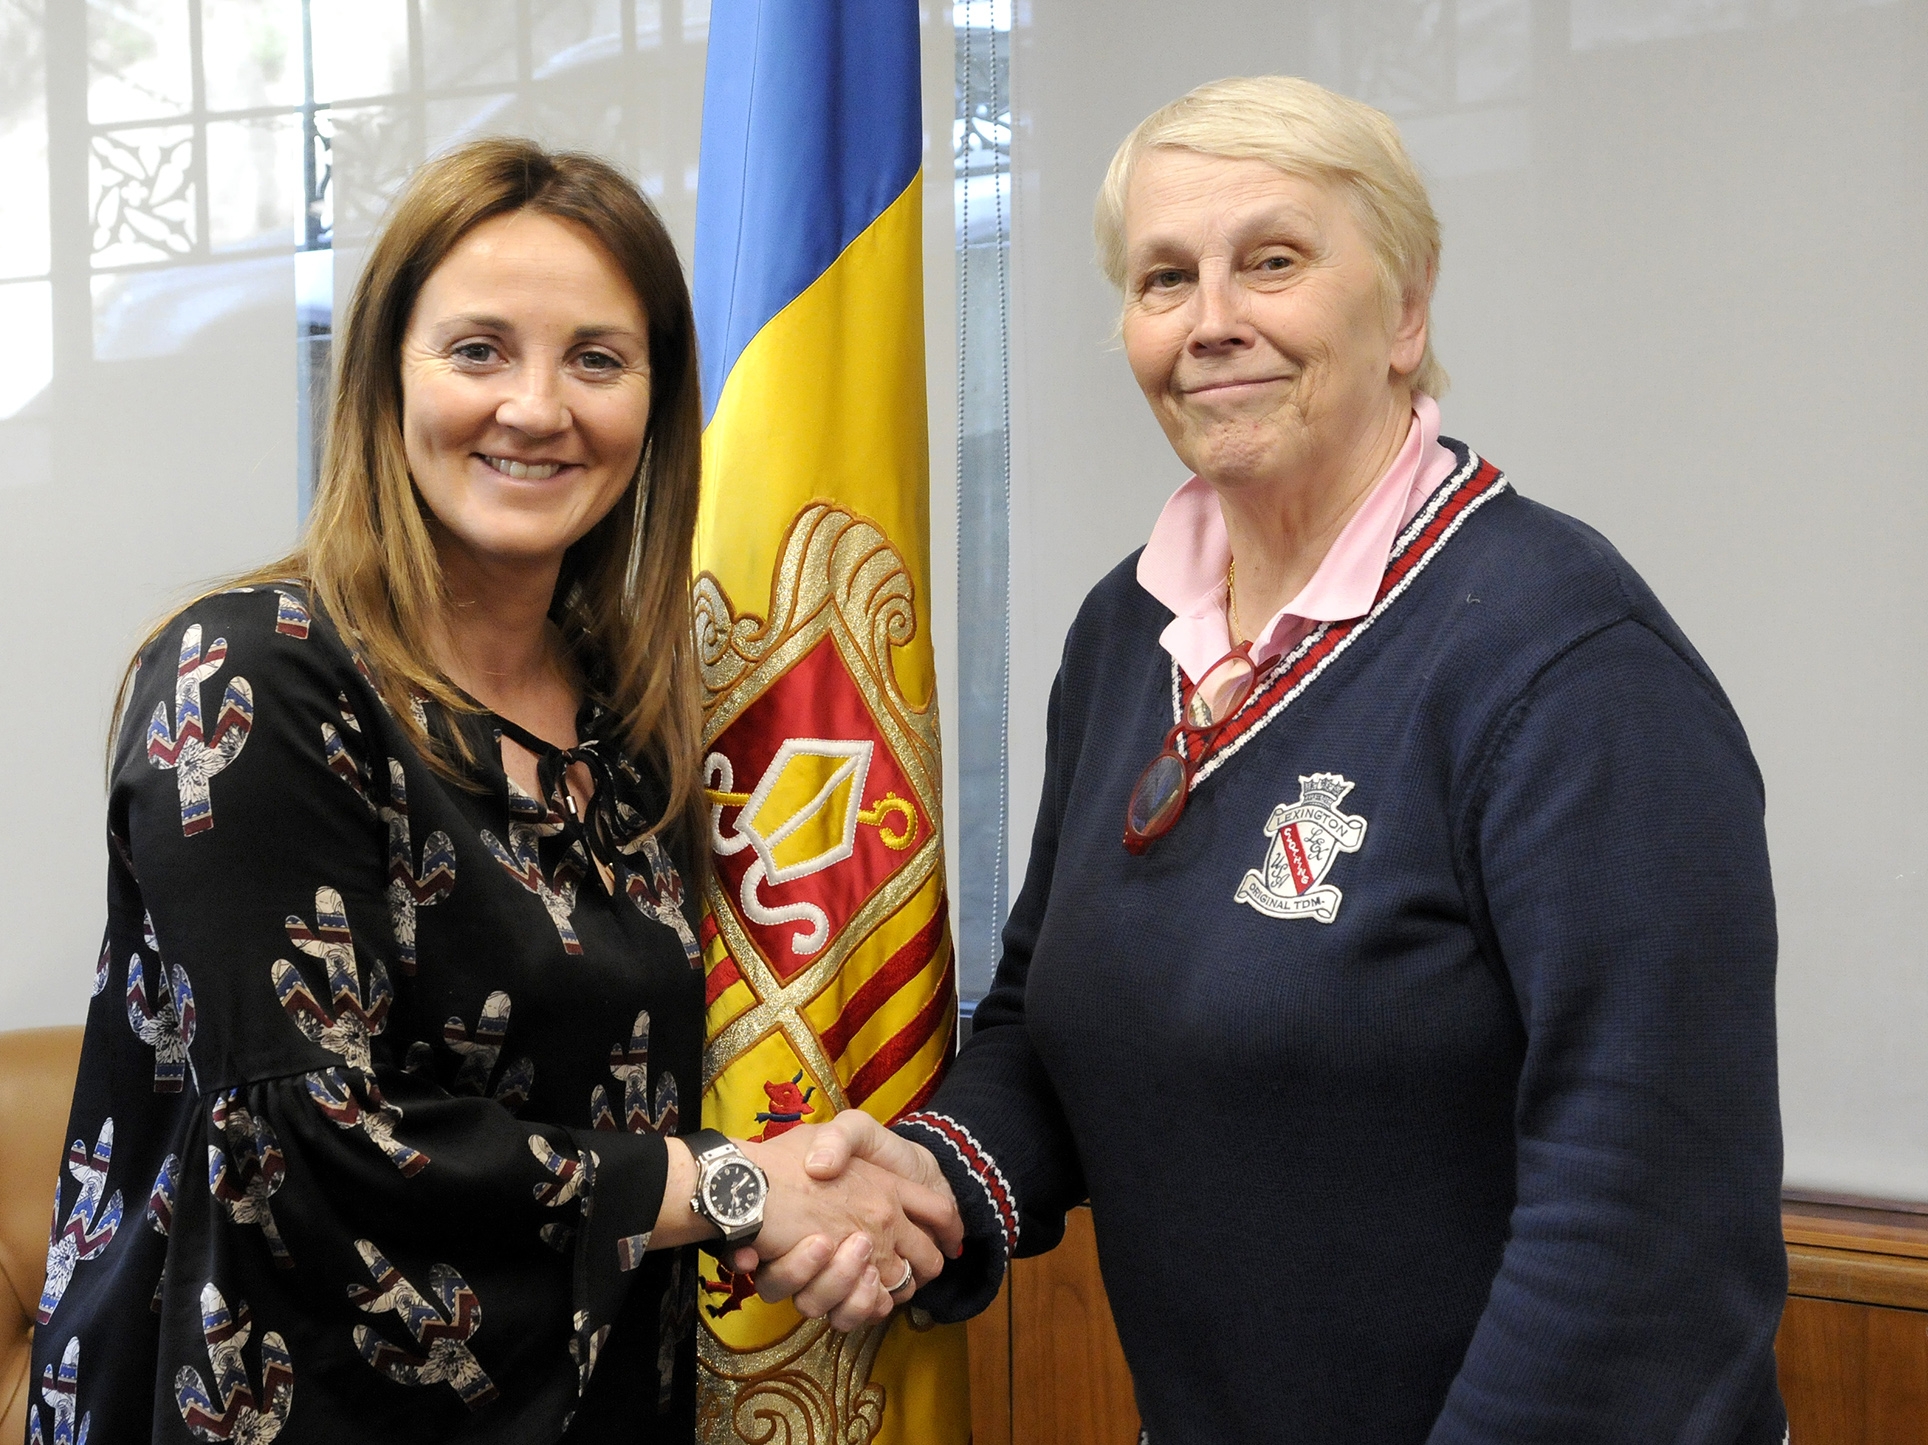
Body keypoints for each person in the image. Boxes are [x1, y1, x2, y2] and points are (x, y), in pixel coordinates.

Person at [758, 76, 1789, 1442]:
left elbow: (1643, 1214)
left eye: (1274, 262)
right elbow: (1047, 1023)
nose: (1212, 321)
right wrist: (932, 1177)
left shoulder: (1567, 658)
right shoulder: (1128, 631)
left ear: (1405, 314)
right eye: (1164, 278)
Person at [27, 138, 955, 1445]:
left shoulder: (634, 722)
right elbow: (312, 1139)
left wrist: (839, 1194)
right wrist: (743, 1188)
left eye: (595, 358)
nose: (536, 407)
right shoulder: (254, 674)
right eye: (478, 351)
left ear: (655, 401)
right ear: (382, 382)